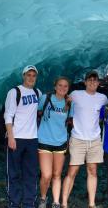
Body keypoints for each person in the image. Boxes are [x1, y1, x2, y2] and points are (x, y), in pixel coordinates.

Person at [61, 71, 108, 208]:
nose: (92, 82)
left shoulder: (103, 98)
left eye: (95, 80)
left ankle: (92, 204)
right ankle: (63, 204)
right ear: (85, 82)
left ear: (98, 83)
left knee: (92, 171)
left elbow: (106, 115)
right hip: (77, 138)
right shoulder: (76, 94)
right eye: (90, 80)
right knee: (72, 171)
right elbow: (64, 104)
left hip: (94, 140)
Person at [4, 65, 42, 208]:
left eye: (34, 75)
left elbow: (42, 111)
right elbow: (8, 115)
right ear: (23, 76)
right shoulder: (15, 92)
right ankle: (14, 203)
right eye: (28, 75)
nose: (31, 78)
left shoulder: (37, 92)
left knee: (31, 173)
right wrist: (11, 137)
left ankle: (28, 203)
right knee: (13, 173)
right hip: (17, 138)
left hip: (32, 139)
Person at [37, 77, 73, 208]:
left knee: (57, 174)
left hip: (61, 143)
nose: (62, 88)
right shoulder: (45, 98)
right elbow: (35, 112)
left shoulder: (69, 103)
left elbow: (70, 121)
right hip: (44, 141)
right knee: (46, 175)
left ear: (68, 88)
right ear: (55, 86)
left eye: (65, 86)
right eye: (60, 85)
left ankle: (56, 202)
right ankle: (43, 198)